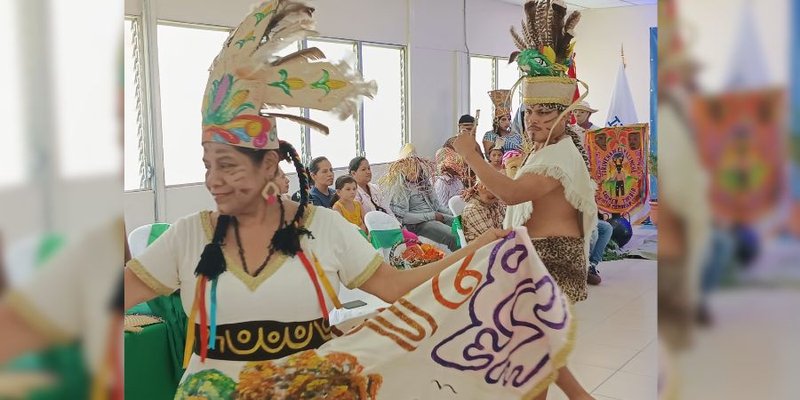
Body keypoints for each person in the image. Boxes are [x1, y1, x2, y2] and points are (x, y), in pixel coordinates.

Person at [122, 4, 520, 398]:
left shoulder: (323, 227)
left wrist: (475, 251)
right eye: (208, 165)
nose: (214, 180)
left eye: (227, 166)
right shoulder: (189, 235)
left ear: (269, 165)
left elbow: (397, 287)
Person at [453, 1, 597, 397]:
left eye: (544, 114)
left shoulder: (558, 155)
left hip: (550, 263)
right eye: (530, 112)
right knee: (536, 355)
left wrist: (470, 155)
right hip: (535, 260)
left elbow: (513, 192)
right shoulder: (546, 148)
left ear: (565, 116)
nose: (533, 120)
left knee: (533, 357)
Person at [379, 145, 458, 251]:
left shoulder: (424, 182)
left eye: (415, 166)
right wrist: (431, 216)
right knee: (453, 236)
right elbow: (404, 218)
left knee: (462, 224)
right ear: (402, 168)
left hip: (432, 216)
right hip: (417, 224)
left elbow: (437, 206)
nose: (412, 170)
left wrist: (455, 214)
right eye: (408, 166)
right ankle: (458, 262)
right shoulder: (399, 188)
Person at [482, 89, 524, 155]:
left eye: (509, 119)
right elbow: (489, 156)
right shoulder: (490, 135)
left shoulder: (516, 136)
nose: (507, 122)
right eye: (503, 119)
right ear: (497, 121)